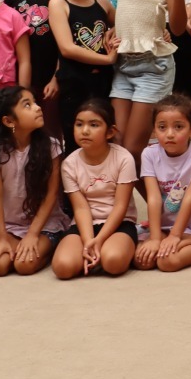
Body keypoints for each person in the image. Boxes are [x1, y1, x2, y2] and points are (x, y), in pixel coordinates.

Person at [108, 0, 189, 162]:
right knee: (117, 145)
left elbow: (177, 28)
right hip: (123, 65)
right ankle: (156, 201)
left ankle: (163, 203)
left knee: (132, 148)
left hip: (153, 67)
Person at [0, 85, 68, 277]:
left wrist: (33, 235)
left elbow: (51, 194)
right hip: (11, 226)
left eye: (35, 102)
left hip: (44, 225)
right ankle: (18, 246)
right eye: (27, 105)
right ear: (9, 121)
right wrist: (1, 236)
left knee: (24, 265)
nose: (37, 108)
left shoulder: (50, 146)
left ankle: (51, 246)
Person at [52, 98, 138, 279]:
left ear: (110, 131)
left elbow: (120, 206)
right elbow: (81, 208)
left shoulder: (123, 158)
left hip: (119, 223)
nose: (85, 131)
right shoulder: (69, 164)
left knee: (113, 262)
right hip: (85, 225)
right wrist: (88, 242)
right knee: (63, 267)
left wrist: (100, 240)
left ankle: (114, 247)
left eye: (94, 125)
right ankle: (93, 251)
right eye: (79, 124)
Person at [134, 95, 191, 273]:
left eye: (178, 127)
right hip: (162, 227)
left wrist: (175, 236)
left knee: (168, 262)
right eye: (162, 127)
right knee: (143, 261)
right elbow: (154, 198)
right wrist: (156, 238)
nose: (170, 134)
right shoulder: (149, 154)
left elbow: (189, 197)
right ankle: (166, 241)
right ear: (154, 130)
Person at [48, 0, 114, 122]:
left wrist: (113, 32)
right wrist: (107, 59)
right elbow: (67, 48)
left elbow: (125, 27)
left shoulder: (103, 3)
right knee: (75, 138)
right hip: (74, 85)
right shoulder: (58, 4)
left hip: (105, 82)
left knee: (103, 132)